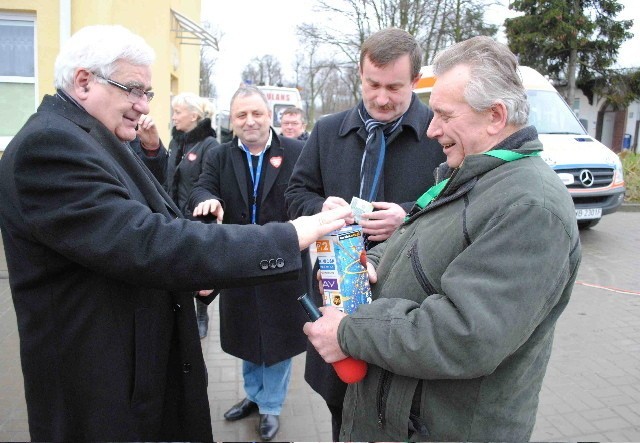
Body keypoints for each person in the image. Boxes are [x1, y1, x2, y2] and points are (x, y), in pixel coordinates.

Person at [0, 24, 349, 442]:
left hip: (130, 380)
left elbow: (144, 225)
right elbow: (144, 241)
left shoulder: (87, 137)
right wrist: (288, 236)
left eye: (147, 94)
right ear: (83, 80)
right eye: (133, 90)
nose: (142, 105)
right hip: (102, 393)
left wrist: (196, 270)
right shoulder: (50, 147)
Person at [303, 35, 582, 441]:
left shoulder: (530, 208)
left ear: (495, 116)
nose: (432, 129)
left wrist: (349, 333)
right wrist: (376, 265)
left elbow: (464, 335)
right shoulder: (474, 174)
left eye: (444, 115)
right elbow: (425, 246)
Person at [284, 27, 446, 440]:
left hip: (405, 304)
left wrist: (407, 215)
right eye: (373, 84)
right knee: (341, 402)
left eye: (395, 87)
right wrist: (319, 210)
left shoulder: (439, 135)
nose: (382, 98)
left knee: (400, 409)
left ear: (416, 80)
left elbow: (459, 204)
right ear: (360, 74)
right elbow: (296, 193)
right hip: (337, 293)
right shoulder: (327, 130)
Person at [189, 85, 306, 441]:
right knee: (247, 337)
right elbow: (199, 188)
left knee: (277, 340)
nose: (250, 121)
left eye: (256, 113)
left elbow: (308, 195)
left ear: (268, 115)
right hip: (238, 263)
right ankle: (254, 397)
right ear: (232, 120)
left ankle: (271, 406)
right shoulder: (220, 156)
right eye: (242, 115)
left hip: (283, 263)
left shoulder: (297, 151)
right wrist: (207, 199)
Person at [167, 92, 220, 339]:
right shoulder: (176, 142)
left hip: (196, 220)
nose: (174, 117)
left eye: (177, 112)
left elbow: (208, 186)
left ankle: (201, 313)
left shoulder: (210, 146)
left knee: (198, 271)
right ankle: (181, 314)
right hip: (172, 217)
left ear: (194, 115)